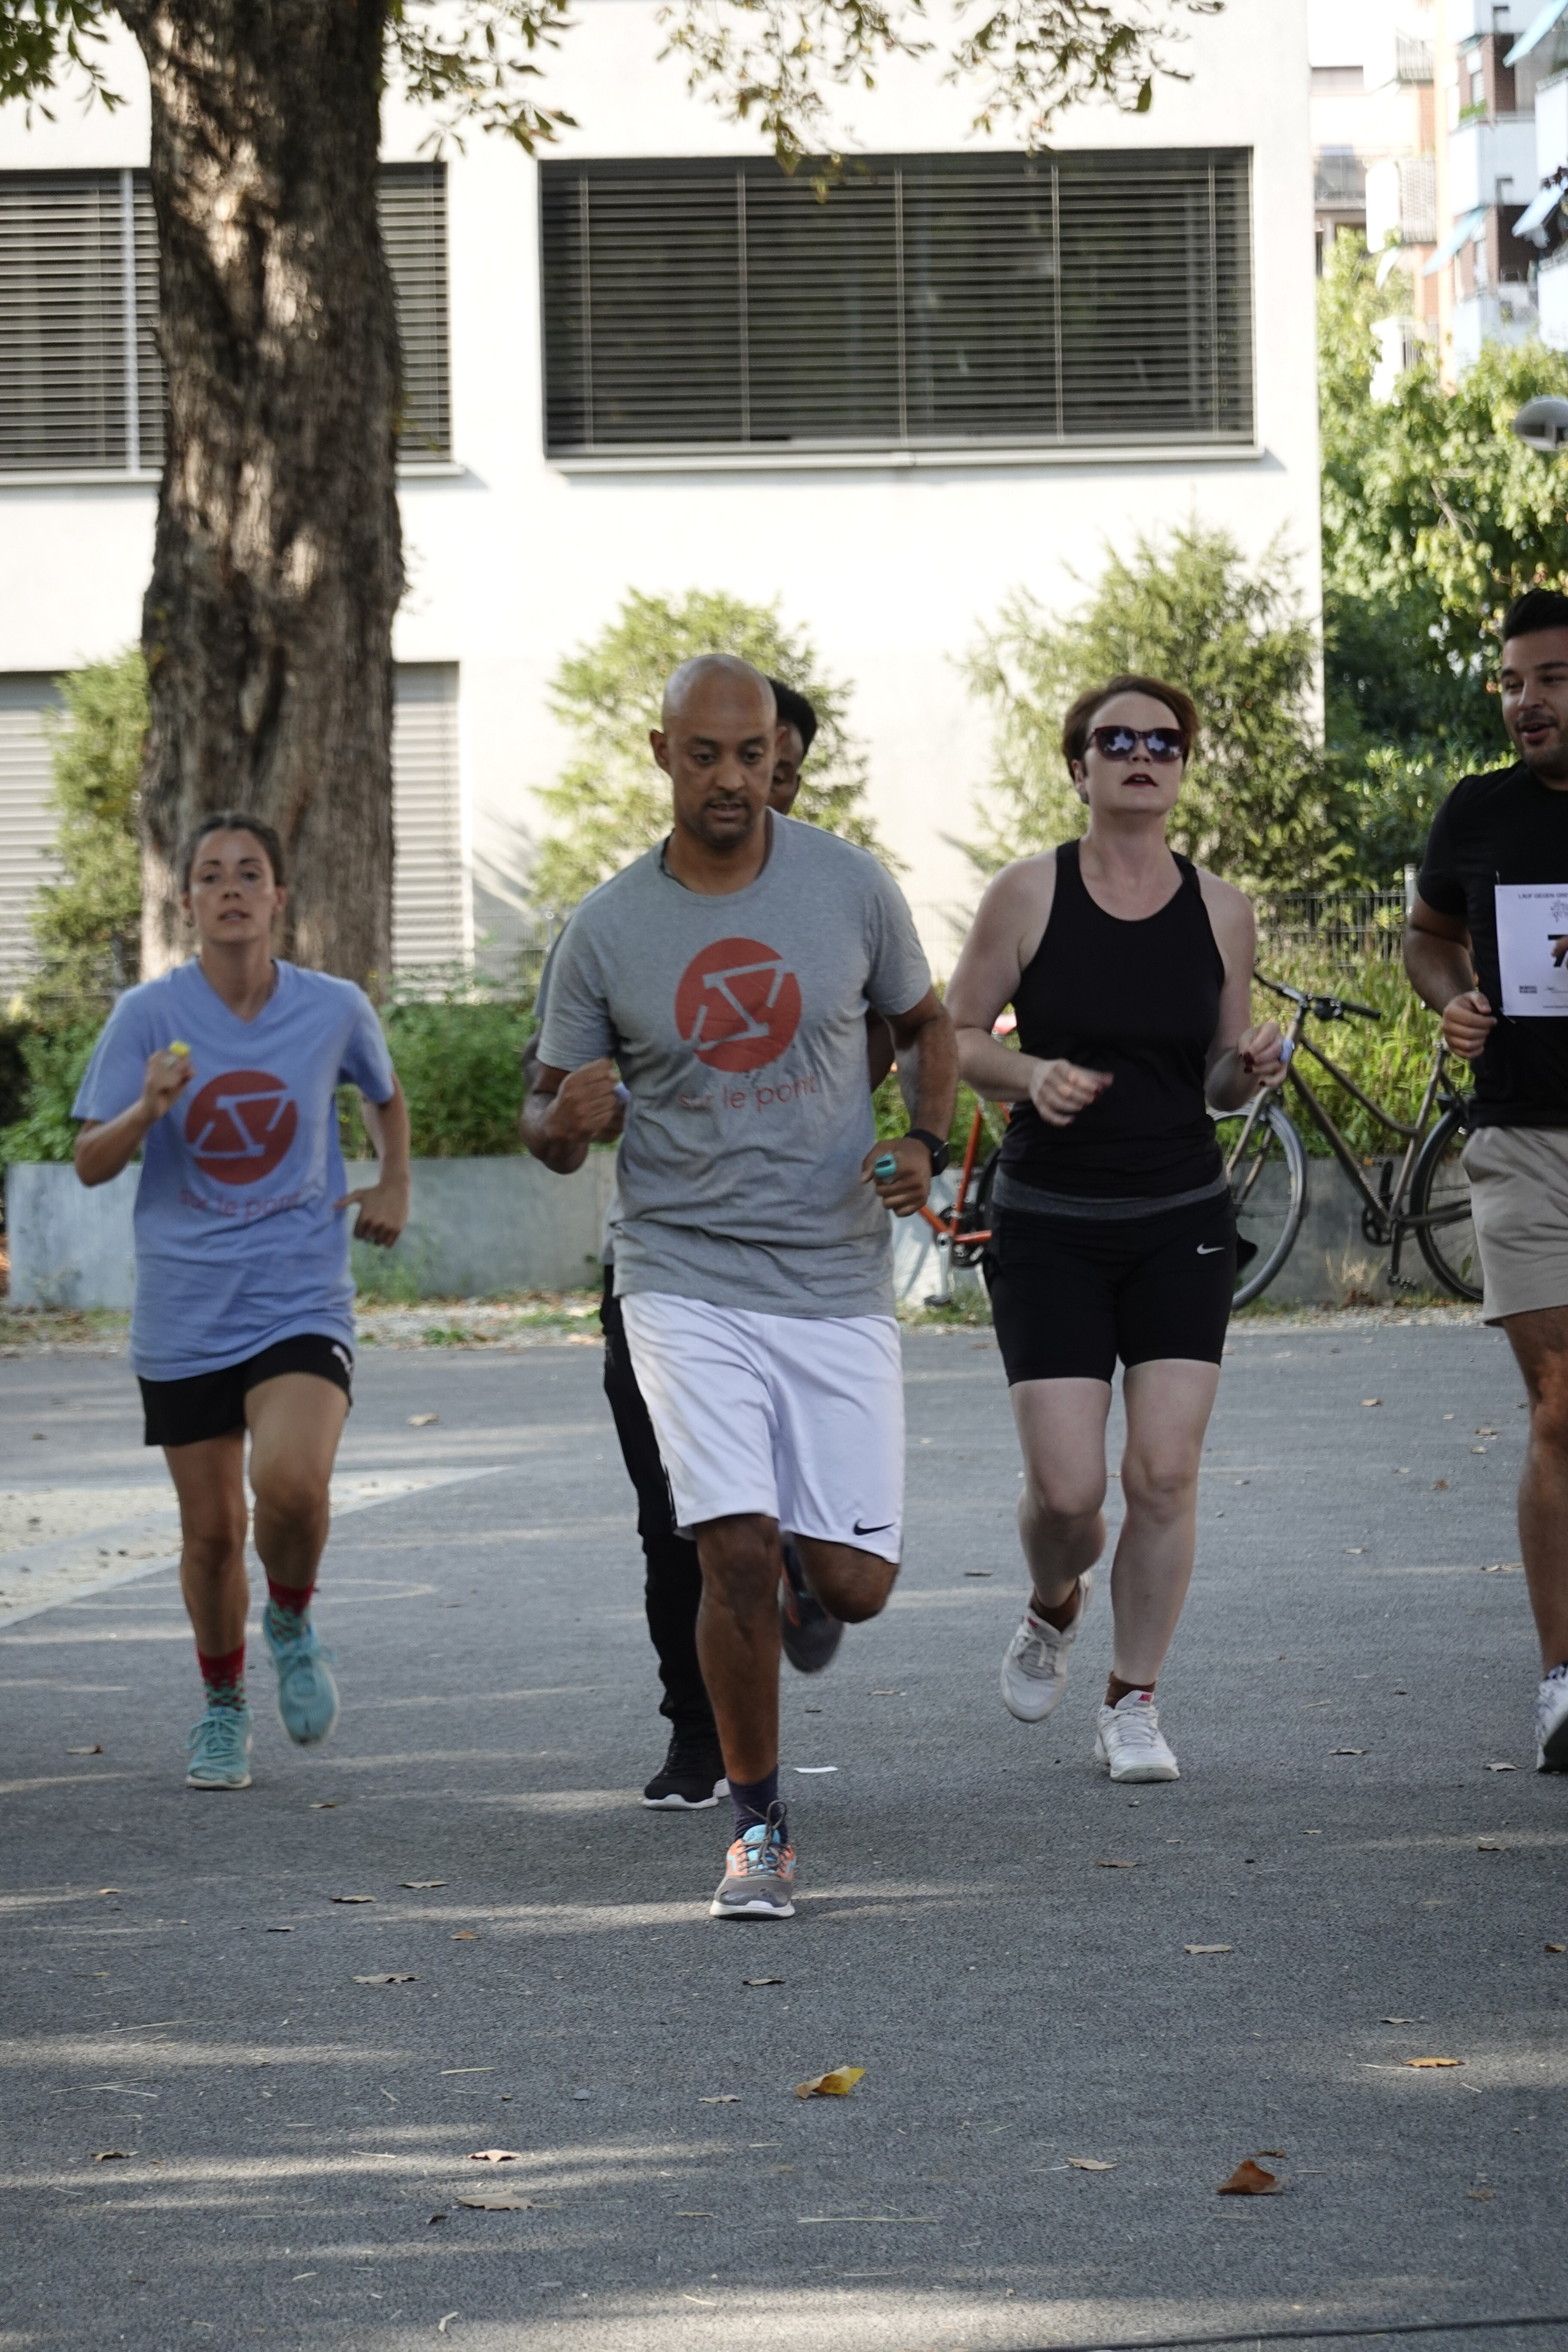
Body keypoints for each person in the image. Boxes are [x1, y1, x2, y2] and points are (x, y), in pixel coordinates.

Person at [530, 654, 956, 1917]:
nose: (732, 777)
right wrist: (569, 1117)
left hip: (830, 1272)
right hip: (680, 1272)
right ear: (661, 754)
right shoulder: (607, 928)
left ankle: (800, 1586)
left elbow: (928, 1026)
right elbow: (544, 1116)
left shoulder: (846, 885)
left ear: (781, 752)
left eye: (753, 752)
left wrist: (921, 1145)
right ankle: (758, 1825)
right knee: (727, 1547)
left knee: (857, 1586)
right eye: (705, 754)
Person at [944, 676, 1287, 1782]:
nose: (1143, 754)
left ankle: (1133, 1701)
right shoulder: (1028, 893)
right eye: (1117, 740)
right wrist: (1029, 1067)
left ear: (1184, 766)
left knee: (1165, 1474)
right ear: (1080, 765)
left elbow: (1221, 1077)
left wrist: (1252, 1067)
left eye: (1165, 741)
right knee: (1067, 1496)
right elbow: (953, 1039)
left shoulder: (1222, 908)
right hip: (1048, 1219)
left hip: (1179, 1213)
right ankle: (1054, 1598)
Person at [72, 814, 410, 1791]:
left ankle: (294, 1620)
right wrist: (147, 1109)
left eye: (249, 873)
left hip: (299, 1291)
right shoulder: (146, 1015)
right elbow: (92, 1162)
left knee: (294, 1485)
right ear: (187, 902)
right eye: (211, 875)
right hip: (183, 1308)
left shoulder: (334, 1007)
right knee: (213, 1533)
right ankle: (223, 1708)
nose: (230, 888)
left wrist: (394, 1184)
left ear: (277, 897)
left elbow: (383, 1093)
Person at [1404, 586, 1568, 1773]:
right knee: (1561, 1411)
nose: (1527, 702)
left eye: (1552, 679)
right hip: (1523, 1139)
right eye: (1513, 682)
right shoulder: (1477, 813)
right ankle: (1563, 1683)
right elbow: (1425, 934)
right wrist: (1450, 995)